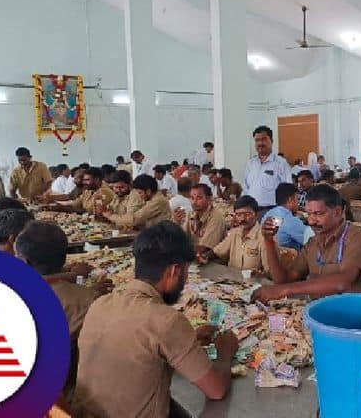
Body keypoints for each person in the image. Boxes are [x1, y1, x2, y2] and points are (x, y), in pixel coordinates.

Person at [73, 222, 239, 417]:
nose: (185, 281)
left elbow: (138, 344)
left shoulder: (100, 304)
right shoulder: (167, 320)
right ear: (175, 271)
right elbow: (216, 390)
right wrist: (225, 351)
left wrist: (189, 338)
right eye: (185, 273)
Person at [15, 221, 107, 399]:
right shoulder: (87, 300)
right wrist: (89, 290)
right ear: (65, 256)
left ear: (25, 261)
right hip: (65, 391)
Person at [252, 184, 361, 303]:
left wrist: (285, 290)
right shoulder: (314, 242)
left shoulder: (356, 237)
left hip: (350, 313)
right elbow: (284, 280)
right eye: (309, 214)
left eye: (318, 214)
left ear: (336, 212)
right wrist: (269, 241)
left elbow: (343, 282)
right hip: (317, 309)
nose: (311, 220)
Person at [200, 196, 276, 273]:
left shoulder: (264, 237)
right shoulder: (234, 233)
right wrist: (205, 256)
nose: (242, 219)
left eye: (247, 214)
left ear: (256, 215)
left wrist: (259, 274)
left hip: (255, 283)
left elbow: (270, 271)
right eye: (238, 214)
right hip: (232, 281)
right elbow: (217, 251)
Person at [244, 126, 292, 212]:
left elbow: (288, 190)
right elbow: (246, 187)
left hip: (273, 210)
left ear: (272, 141)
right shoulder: (250, 163)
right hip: (251, 211)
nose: (260, 143)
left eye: (264, 139)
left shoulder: (281, 163)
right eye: (257, 140)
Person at [103, 175, 171, 230]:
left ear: (148, 191)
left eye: (140, 193)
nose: (139, 196)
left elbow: (134, 219)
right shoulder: (152, 199)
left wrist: (111, 216)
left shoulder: (158, 201)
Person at [173, 184, 226, 255]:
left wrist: (177, 249)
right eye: (192, 198)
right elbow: (183, 238)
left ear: (209, 199)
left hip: (211, 260)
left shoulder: (216, 217)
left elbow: (204, 248)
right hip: (192, 254)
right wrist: (176, 223)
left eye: (199, 198)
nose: (194, 202)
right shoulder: (191, 213)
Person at [261, 183, 308, 251]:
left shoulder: (268, 214)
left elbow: (281, 224)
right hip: (288, 259)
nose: (298, 203)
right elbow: (312, 239)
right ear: (290, 200)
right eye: (297, 199)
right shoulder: (290, 220)